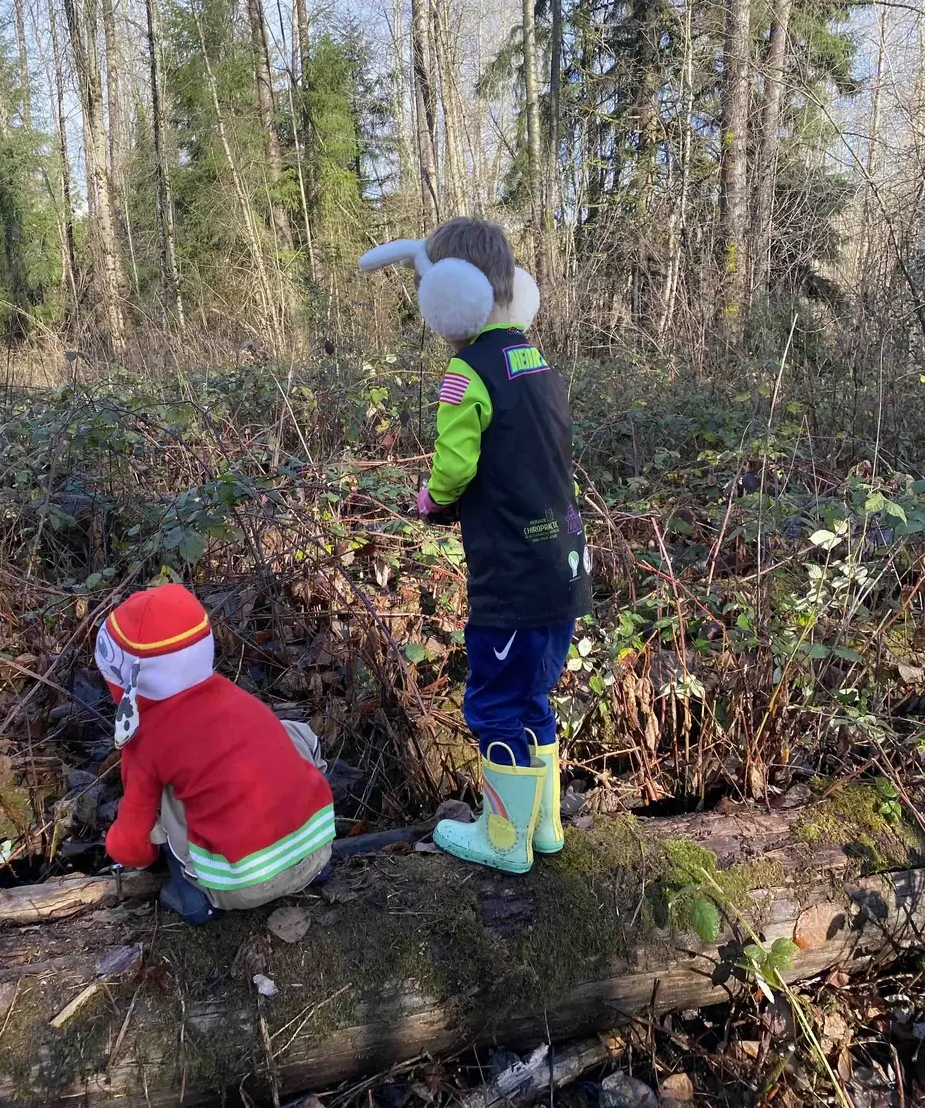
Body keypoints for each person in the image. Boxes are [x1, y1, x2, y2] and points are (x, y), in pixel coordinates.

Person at [358, 217, 592, 875]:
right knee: (532, 699)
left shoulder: (467, 373)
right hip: (563, 569)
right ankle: (542, 827)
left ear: (451, 295)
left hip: (512, 580)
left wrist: (432, 499)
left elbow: (456, 468)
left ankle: (503, 838)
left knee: (493, 701)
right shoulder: (535, 360)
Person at [95, 583, 334, 924]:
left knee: (164, 797)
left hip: (239, 887)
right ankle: (308, 859)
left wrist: (126, 848)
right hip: (316, 854)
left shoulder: (147, 740)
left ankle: (195, 900)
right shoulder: (234, 696)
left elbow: (131, 845)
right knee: (283, 734)